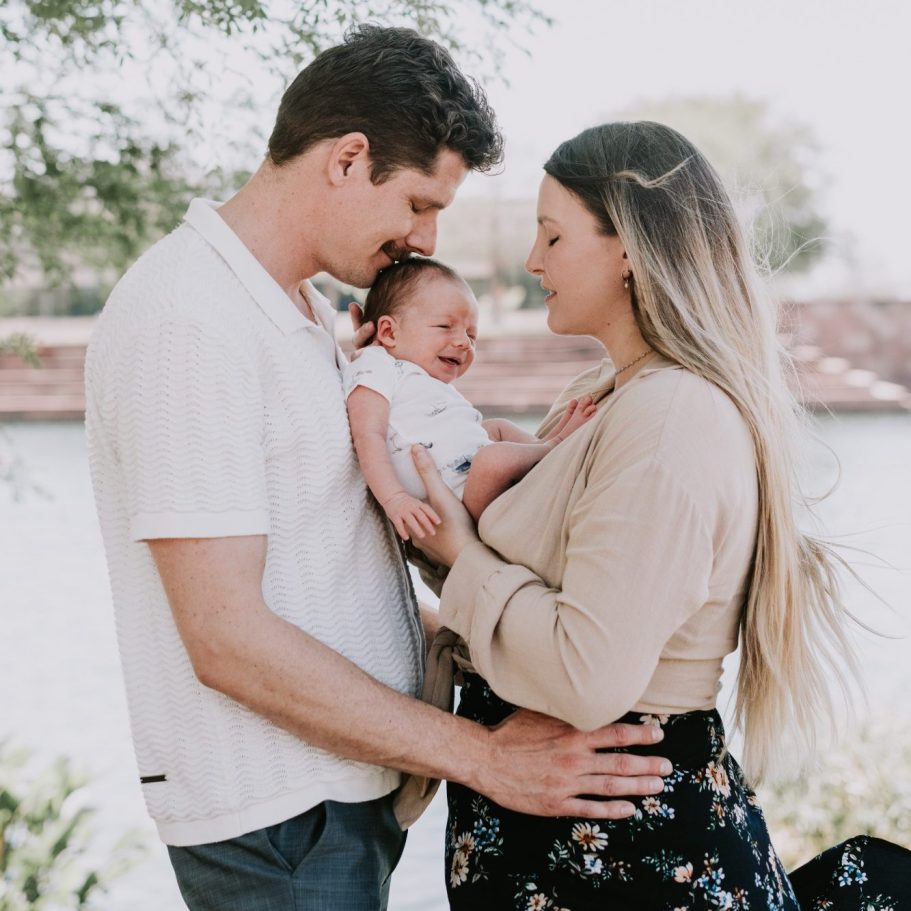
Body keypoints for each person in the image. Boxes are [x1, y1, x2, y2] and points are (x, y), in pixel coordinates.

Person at [84, 28, 671, 911]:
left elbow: (333, 555)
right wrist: (484, 759)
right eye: (420, 202)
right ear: (349, 157)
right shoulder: (188, 322)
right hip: (279, 821)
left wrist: (517, 654)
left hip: (335, 803)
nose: (425, 238)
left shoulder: (310, 316)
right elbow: (225, 637)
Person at [406, 121, 911, 908]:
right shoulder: (607, 395)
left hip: (627, 860)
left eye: (552, 234)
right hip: (580, 839)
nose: (532, 260)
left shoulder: (672, 415)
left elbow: (586, 674)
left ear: (628, 248)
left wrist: (462, 559)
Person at [344, 257, 597, 532]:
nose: (464, 342)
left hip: (479, 478)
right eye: (444, 326)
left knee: (497, 428)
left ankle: (543, 447)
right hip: (460, 501)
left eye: (472, 335)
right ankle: (554, 447)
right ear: (389, 331)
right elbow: (368, 437)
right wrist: (395, 499)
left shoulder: (422, 379)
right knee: (491, 458)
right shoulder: (374, 364)